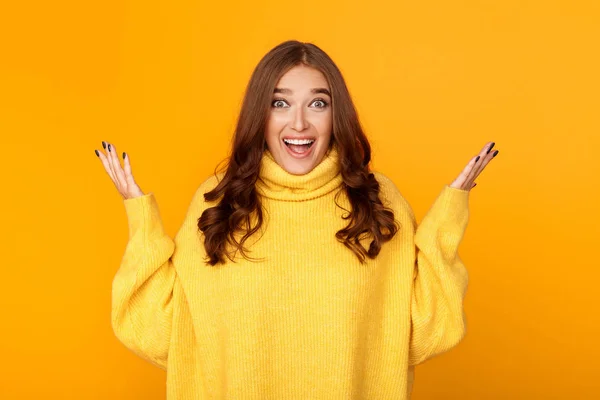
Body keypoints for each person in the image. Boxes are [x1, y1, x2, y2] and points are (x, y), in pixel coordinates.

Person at [95, 40, 499, 399]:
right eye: (280, 102)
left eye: (318, 103)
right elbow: (166, 332)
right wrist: (141, 217)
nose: (300, 123)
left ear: (335, 114)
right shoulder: (218, 201)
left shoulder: (376, 201)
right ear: (261, 114)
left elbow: (422, 332)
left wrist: (447, 219)